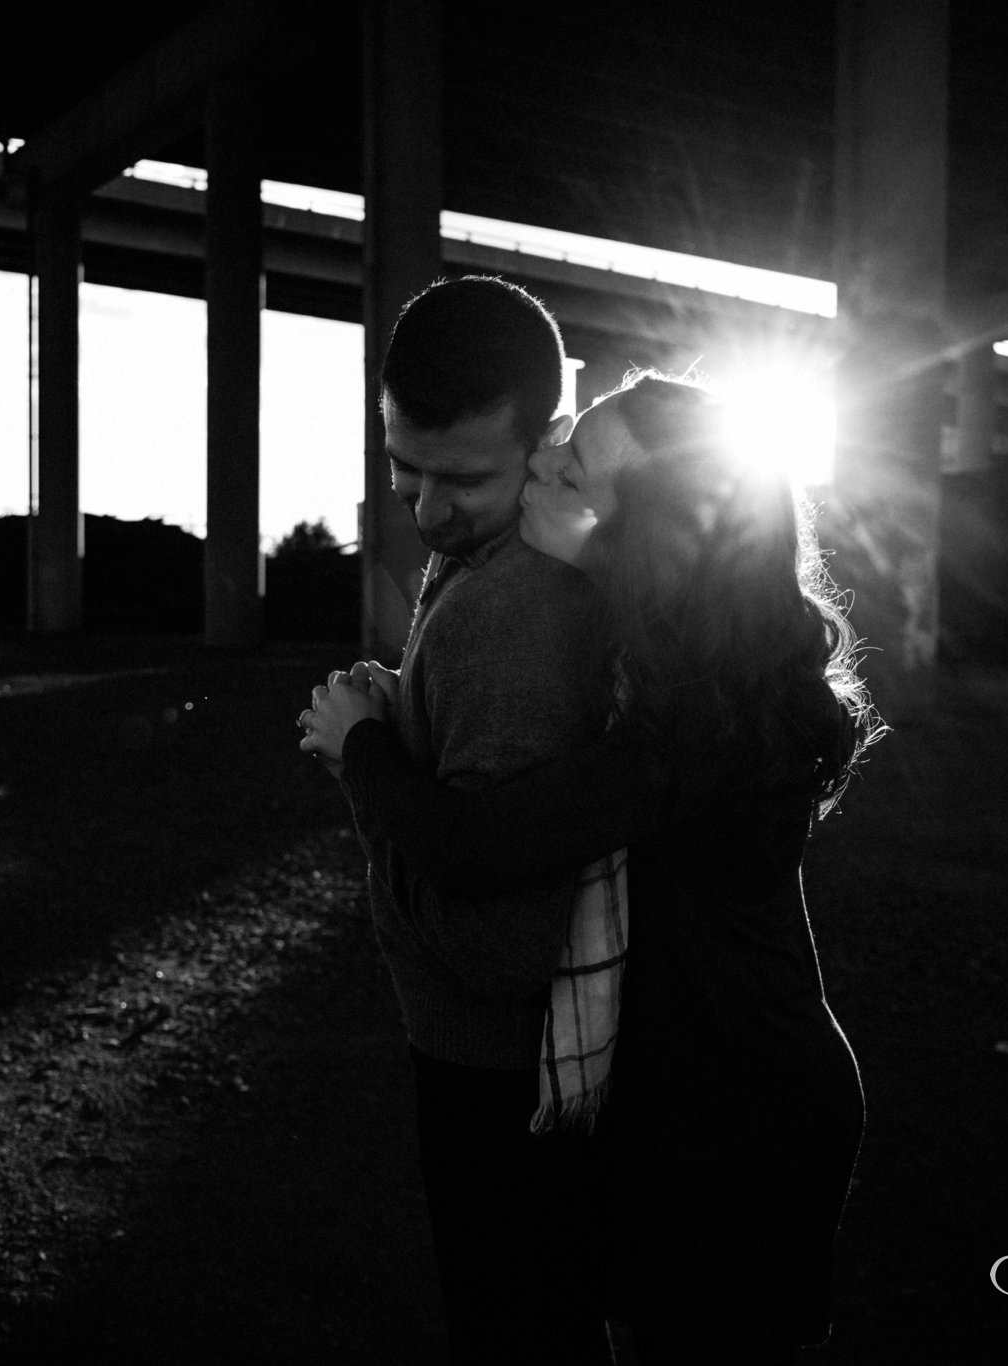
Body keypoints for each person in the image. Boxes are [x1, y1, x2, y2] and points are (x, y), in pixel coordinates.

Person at [302, 369, 881, 1362]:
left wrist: (355, 744)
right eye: (565, 441)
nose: (540, 462)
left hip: (737, 1120)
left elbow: (479, 849)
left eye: (570, 476)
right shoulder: (681, 669)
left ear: (640, 546)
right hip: (702, 1093)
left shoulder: (691, 728)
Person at [301, 275, 627, 1363]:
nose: (429, 509)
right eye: (403, 469)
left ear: (545, 440)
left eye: (464, 478)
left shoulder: (515, 608)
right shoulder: (490, 565)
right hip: (508, 1070)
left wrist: (369, 766)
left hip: (497, 1077)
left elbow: (497, 943)